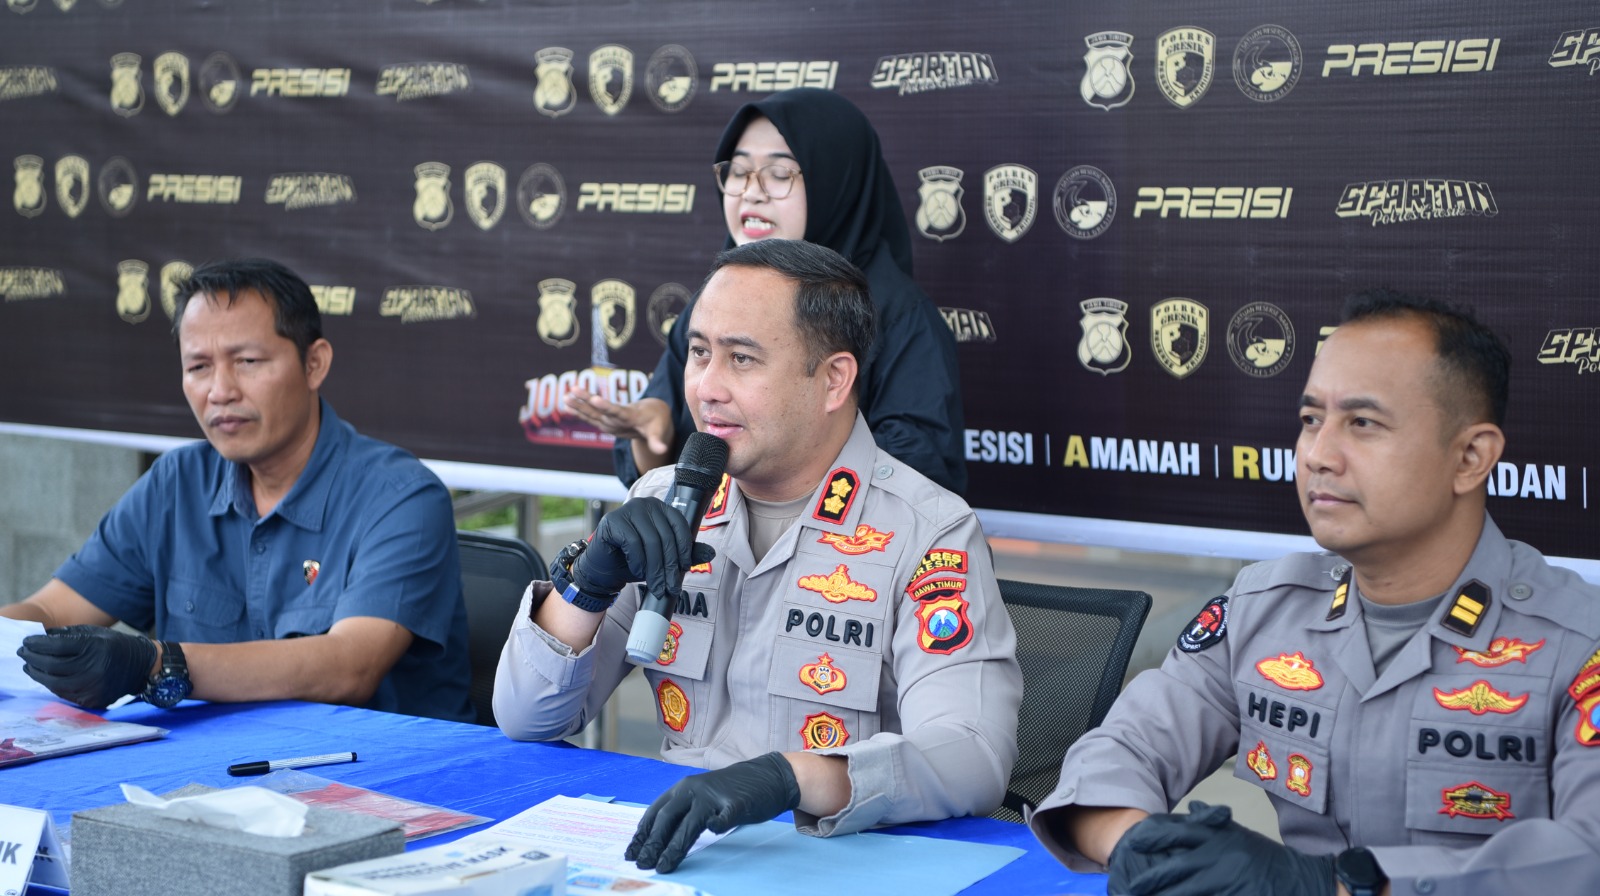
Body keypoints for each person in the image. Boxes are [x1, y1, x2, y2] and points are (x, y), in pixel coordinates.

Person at [1029, 289, 1600, 895]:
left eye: (1363, 423)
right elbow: (1121, 752)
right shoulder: (1262, 609)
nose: (1319, 455)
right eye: (1310, 420)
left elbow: (1589, 854)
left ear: (1470, 457)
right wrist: (1147, 848)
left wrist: (1325, 886)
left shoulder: (1578, 642)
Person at [494, 239, 1019, 872]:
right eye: (699, 353)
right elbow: (527, 719)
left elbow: (972, 756)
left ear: (834, 379)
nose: (706, 388)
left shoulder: (928, 530)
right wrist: (587, 584)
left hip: (837, 862)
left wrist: (790, 778)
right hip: (677, 858)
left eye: (741, 359)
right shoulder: (664, 500)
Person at [6, 257, 473, 723]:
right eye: (198, 366)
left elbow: (350, 665)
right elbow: (50, 609)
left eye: (247, 362)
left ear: (314, 364)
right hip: (208, 762)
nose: (220, 391)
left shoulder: (401, 496)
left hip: (377, 763)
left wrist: (157, 663)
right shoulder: (176, 482)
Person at [565, 87, 967, 494]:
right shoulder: (716, 299)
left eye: (779, 173)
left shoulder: (901, 318)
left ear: (836, 182)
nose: (752, 191)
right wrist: (653, 433)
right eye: (739, 171)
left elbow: (918, 486)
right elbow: (657, 477)